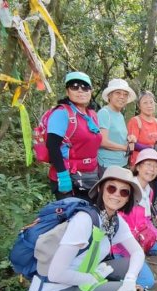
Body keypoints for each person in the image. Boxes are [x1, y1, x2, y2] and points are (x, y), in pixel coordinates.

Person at [28, 166, 145, 291]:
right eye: (111, 188)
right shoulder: (85, 220)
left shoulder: (114, 221)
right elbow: (55, 274)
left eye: (124, 192)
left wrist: (130, 279)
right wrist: (93, 281)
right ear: (100, 189)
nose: (116, 195)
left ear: (128, 198)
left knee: (130, 269)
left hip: (77, 276)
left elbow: (137, 253)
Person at [111, 149, 157, 289]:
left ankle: (140, 256)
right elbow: (118, 227)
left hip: (140, 237)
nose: (152, 169)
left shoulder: (149, 190)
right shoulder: (127, 189)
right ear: (138, 166)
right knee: (147, 282)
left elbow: (146, 220)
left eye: (156, 166)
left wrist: (156, 234)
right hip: (121, 246)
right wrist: (138, 249)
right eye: (148, 164)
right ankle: (116, 271)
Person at [46, 71, 102, 201]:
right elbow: (52, 145)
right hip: (69, 177)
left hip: (90, 176)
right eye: (74, 86)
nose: (80, 90)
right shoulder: (61, 113)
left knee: (90, 216)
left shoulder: (92, 115)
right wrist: (62, 175)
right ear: (67, 91)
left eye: (85, 87)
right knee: (72, 218)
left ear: (91, 91)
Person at [97, 78, 137, 172]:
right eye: (118, 93)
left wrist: (129, 138)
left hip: (121, 163)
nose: (122, 97)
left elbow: (117, 136)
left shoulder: (120, 115)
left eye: (125, 94)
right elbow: (102, 141)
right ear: (109, 96)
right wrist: (125, 148)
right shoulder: (104, 113)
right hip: (108, 164)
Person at [127, 91, 157, 167]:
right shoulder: (135, 121)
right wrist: (151, 148)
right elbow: (133, 144)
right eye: (145, 103)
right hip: (139, 165)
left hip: (154, 164)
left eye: (151, 102)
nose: (149, 105)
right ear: (139, 106)